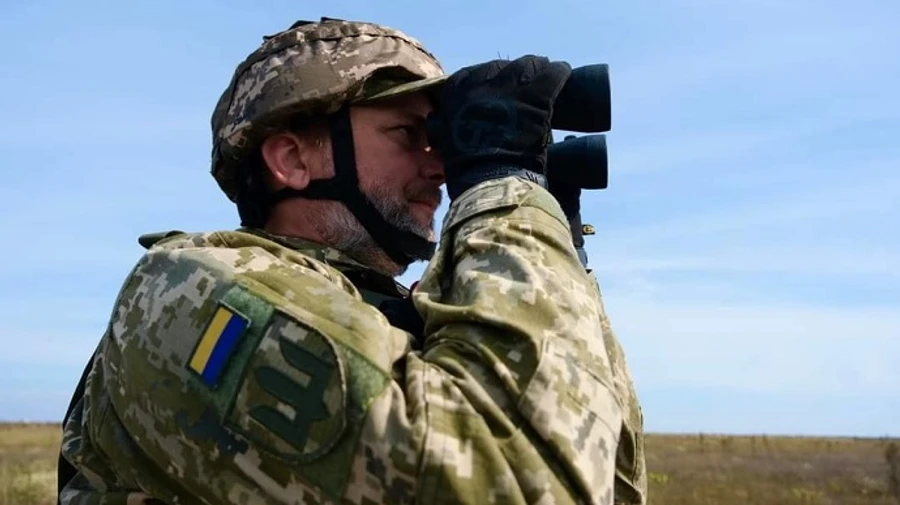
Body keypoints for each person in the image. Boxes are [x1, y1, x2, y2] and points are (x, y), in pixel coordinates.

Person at [56, 17, 647, 505]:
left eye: (442, 141)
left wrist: (557, 251)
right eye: (408, 134)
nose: (439, 167)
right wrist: (504, 191)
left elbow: (604, 479)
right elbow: (519, 480)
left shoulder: (401, 315)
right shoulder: (183, 292)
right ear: (293, 160)